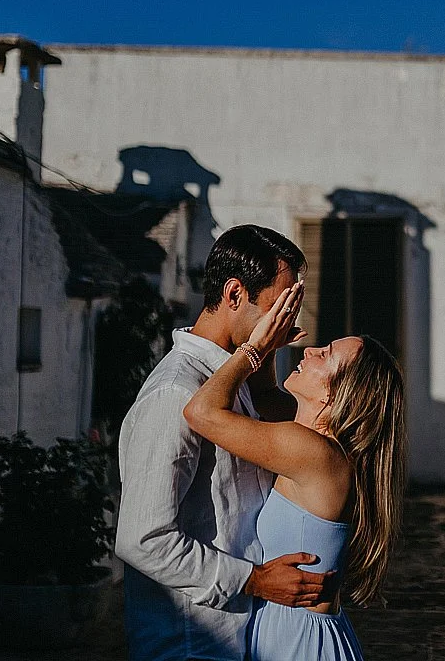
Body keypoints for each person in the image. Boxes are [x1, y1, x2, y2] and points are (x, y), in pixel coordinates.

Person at [116, 225, 329, 661]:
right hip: (193, 638)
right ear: (235, 295)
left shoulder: (234, 380)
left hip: (237, 632)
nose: (285, 322)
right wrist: (253, 579)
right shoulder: (176, 392)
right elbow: (142, 539)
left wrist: (263, 355)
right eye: (278, 307)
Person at [183, 283, 406, 660]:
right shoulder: (316, 447)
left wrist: (252, 349)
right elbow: (267, 396)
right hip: (297, 633)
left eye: (327, 355)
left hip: (298, 640)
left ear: (337, 394)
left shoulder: (313, 453)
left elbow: (200, 413)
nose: (310, 349)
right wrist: (270, 345)